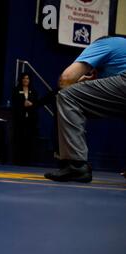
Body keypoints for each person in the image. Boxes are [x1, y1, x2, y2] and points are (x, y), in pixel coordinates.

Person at [44, 36, 126, 183]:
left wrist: (77, 83)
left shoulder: (103, 43)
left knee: (67, 96)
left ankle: (76, 166)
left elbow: (66, 79)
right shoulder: (121, 52)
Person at [12, 72, 39, 165]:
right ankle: (17, 160)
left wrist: (31, 105)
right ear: (21, 79)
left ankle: (27, 161)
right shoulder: (16, 90)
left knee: (29, 140)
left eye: (27, 78)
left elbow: (36, 103)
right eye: (24, 78)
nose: (25, 80)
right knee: (19, 139)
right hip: (19, 119)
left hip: (30, 119)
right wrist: (22, 105)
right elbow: (14, 104)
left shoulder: (33, 91)